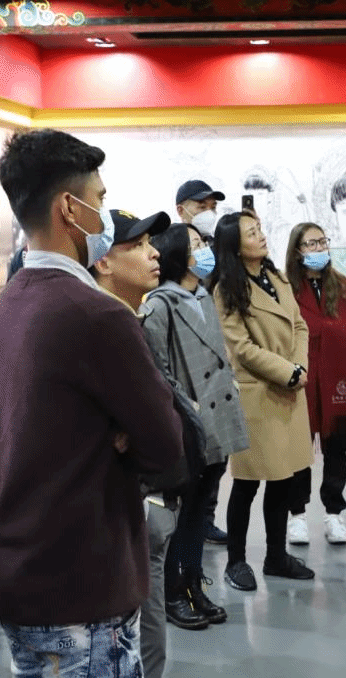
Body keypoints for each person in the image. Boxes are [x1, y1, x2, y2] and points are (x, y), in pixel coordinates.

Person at [0, 129, 185, 678]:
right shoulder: (97, 316)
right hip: (83, 581)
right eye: (99, 198)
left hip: (23, 569)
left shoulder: (2, 308)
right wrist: (122, 434)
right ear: (71, 209)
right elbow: (166, 446)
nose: (104, 213)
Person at [90, 208, 194, 678]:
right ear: (103, 261)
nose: (153, 254)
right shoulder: (100, 326)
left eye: (151, 244)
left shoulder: (133, 318)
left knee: (148, 616)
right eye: (135, 245)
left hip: (156, 494)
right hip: (130, 500)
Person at [140, 223, 248, 631]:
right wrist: (189, 409)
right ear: (177, 255)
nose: (205, 251)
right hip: (191, 425)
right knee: (182, 515)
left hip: (218, 420)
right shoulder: (160, 306)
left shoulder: (203, 295)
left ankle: (193, 585)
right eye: (197, 245)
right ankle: (174, 593)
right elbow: (159, 371)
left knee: (199, 514)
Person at [210, 210, 315, 591]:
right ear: (235, 247)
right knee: (248, 483)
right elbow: (241, 348)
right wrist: (286, 371)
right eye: (251, 233)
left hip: (289, 391)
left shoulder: (277, 277)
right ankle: (236, 561)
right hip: (258, 394)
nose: (261, 236)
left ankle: (276, 556)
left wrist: (299, 367)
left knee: (284, 480)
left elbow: (299, 325)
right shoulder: (226, 290)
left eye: (259, 230)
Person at [283, 222, 346, 546]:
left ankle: (334, 513)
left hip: (339, 379)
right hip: (301, 382)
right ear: (297, 251)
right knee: (299, 450)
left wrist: (330, 333)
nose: (319, 249)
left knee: (338, 448)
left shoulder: (342, 286)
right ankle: (297, 515)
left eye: (322, 242)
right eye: (311, 244)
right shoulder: (286, 289)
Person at [175, 179, 229, 545]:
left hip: (217, 360)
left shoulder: (217, 250)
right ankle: (184, 519)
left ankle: (205, 518)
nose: (209, 213)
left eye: (213, 207)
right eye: (201, 206)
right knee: (190, 451)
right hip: (186, 362)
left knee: (217, 452)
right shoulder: (169, 246)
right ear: (182, 209)